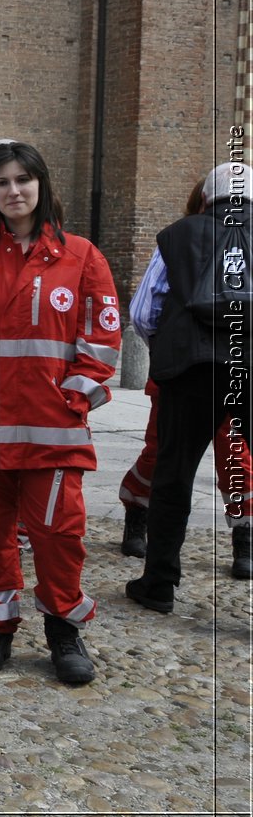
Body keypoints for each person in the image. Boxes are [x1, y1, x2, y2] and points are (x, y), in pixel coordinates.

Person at [0, 139, 120, 685]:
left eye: (23, 180)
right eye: (2, 183)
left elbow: (103, 336)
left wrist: (77, 396)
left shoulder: (82, 256)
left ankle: (64, 628)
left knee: (59, 533)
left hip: (52, 428)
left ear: (41, 185)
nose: (14, 191)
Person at [127, 161, 252, 609]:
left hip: (192, 370)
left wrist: (163, 348)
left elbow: (143, 311)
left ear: (205, 200)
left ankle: (158, 585)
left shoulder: (179, 234)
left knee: (174, 475)